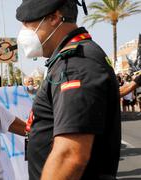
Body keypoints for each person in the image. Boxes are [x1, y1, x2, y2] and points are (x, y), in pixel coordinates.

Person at [16, 0, 121, 179]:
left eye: (27, 23)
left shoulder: (75, 64)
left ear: (54, 18)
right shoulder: (68, 60)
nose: (23, 32)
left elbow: (70, 156)